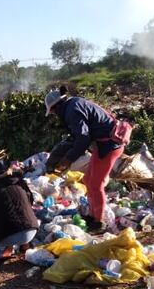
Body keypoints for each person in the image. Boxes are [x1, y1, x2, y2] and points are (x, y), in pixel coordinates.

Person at [44, 86, 126, 233]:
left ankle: (99, 222)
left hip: (109, 145)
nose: (55, 115)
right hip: (102, 144)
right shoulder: (73, 104)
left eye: (54, 112)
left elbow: (83, 138)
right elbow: (81, 136)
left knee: (96, 184)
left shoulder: (72, 111)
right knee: (88, 180)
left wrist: (69, 159)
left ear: (56, 107)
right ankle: (92, 215)